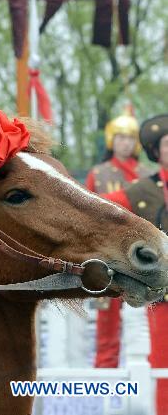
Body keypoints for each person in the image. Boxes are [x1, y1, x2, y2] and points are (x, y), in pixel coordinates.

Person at [104, 114, 168, 414]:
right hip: (164, 294)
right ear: (157, 152)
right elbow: (101, 206)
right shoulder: (143, 189)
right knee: (162, 364)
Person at [86, 107, 140, 368]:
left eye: (130, 138)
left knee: (142, 327)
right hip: (107, 258)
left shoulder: (146, 176)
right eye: (120, 137)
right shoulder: (98, 174)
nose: (125, 143)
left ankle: (142, 385)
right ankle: (104, 382)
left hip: (139, 257)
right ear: (111, 140)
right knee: (106, 325)